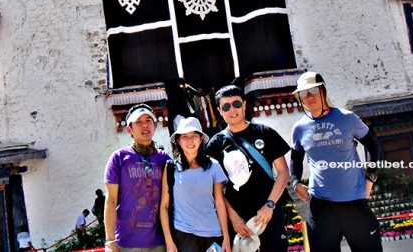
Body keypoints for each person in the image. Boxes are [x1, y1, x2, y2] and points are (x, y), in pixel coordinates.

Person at [289, 71, 382, 252]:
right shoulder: (299, 128)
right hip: (321, 206)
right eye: (303, 93)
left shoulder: (347, 118)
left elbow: (372, 144)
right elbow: (295, 159)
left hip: (354, 200)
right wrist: (295, 183)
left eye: (313, 90)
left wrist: (370, 178)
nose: (308, 97)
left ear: (323, 90)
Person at [205, 85, 291, 251]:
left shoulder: (265, 133)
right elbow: (216, 189)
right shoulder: (215, 145)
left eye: (236, 104)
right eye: (226, 106)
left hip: (268, 214)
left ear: (244, 105)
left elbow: (283, 172)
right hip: (238, 220)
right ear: (219, 110)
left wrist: (270, 205)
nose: (232, 110)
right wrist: (234, 218)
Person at [104, 103, 171, 252]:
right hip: (126, 242)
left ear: (154, 125)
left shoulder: (165, 159)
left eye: (148, 121)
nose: (145, 125)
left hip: (158, 242)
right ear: (129, 129)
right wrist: (109, 240)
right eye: (139, 122)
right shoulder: (119, 158)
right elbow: (111, 200)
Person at [160, 117, 231, 252]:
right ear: (178, 141)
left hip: (213, 234)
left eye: (194, 136)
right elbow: (164, 205)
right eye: (185, 137)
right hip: (184, 235)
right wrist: (169, 241)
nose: (190, 141)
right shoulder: (171, 168)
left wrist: (226, 237)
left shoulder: (213, 166)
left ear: (201, 139)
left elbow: (219, 202)